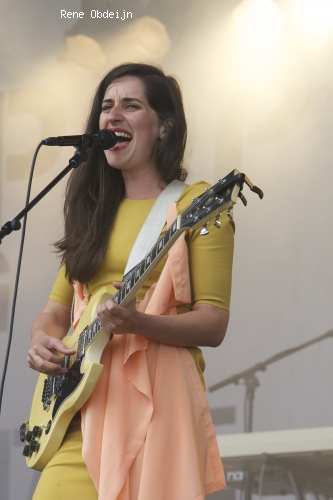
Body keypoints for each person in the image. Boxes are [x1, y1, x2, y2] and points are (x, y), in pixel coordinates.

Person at [27, 63, 235, 500]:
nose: (112, 116)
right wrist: (43, 339)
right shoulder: (93, 212)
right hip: (82, 404)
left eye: (130, 105)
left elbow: (213, 323)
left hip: (155, 405)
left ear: (164, 127)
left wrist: (139, 323)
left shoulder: (198, 204)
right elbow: (55, 311)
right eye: (106, 106)